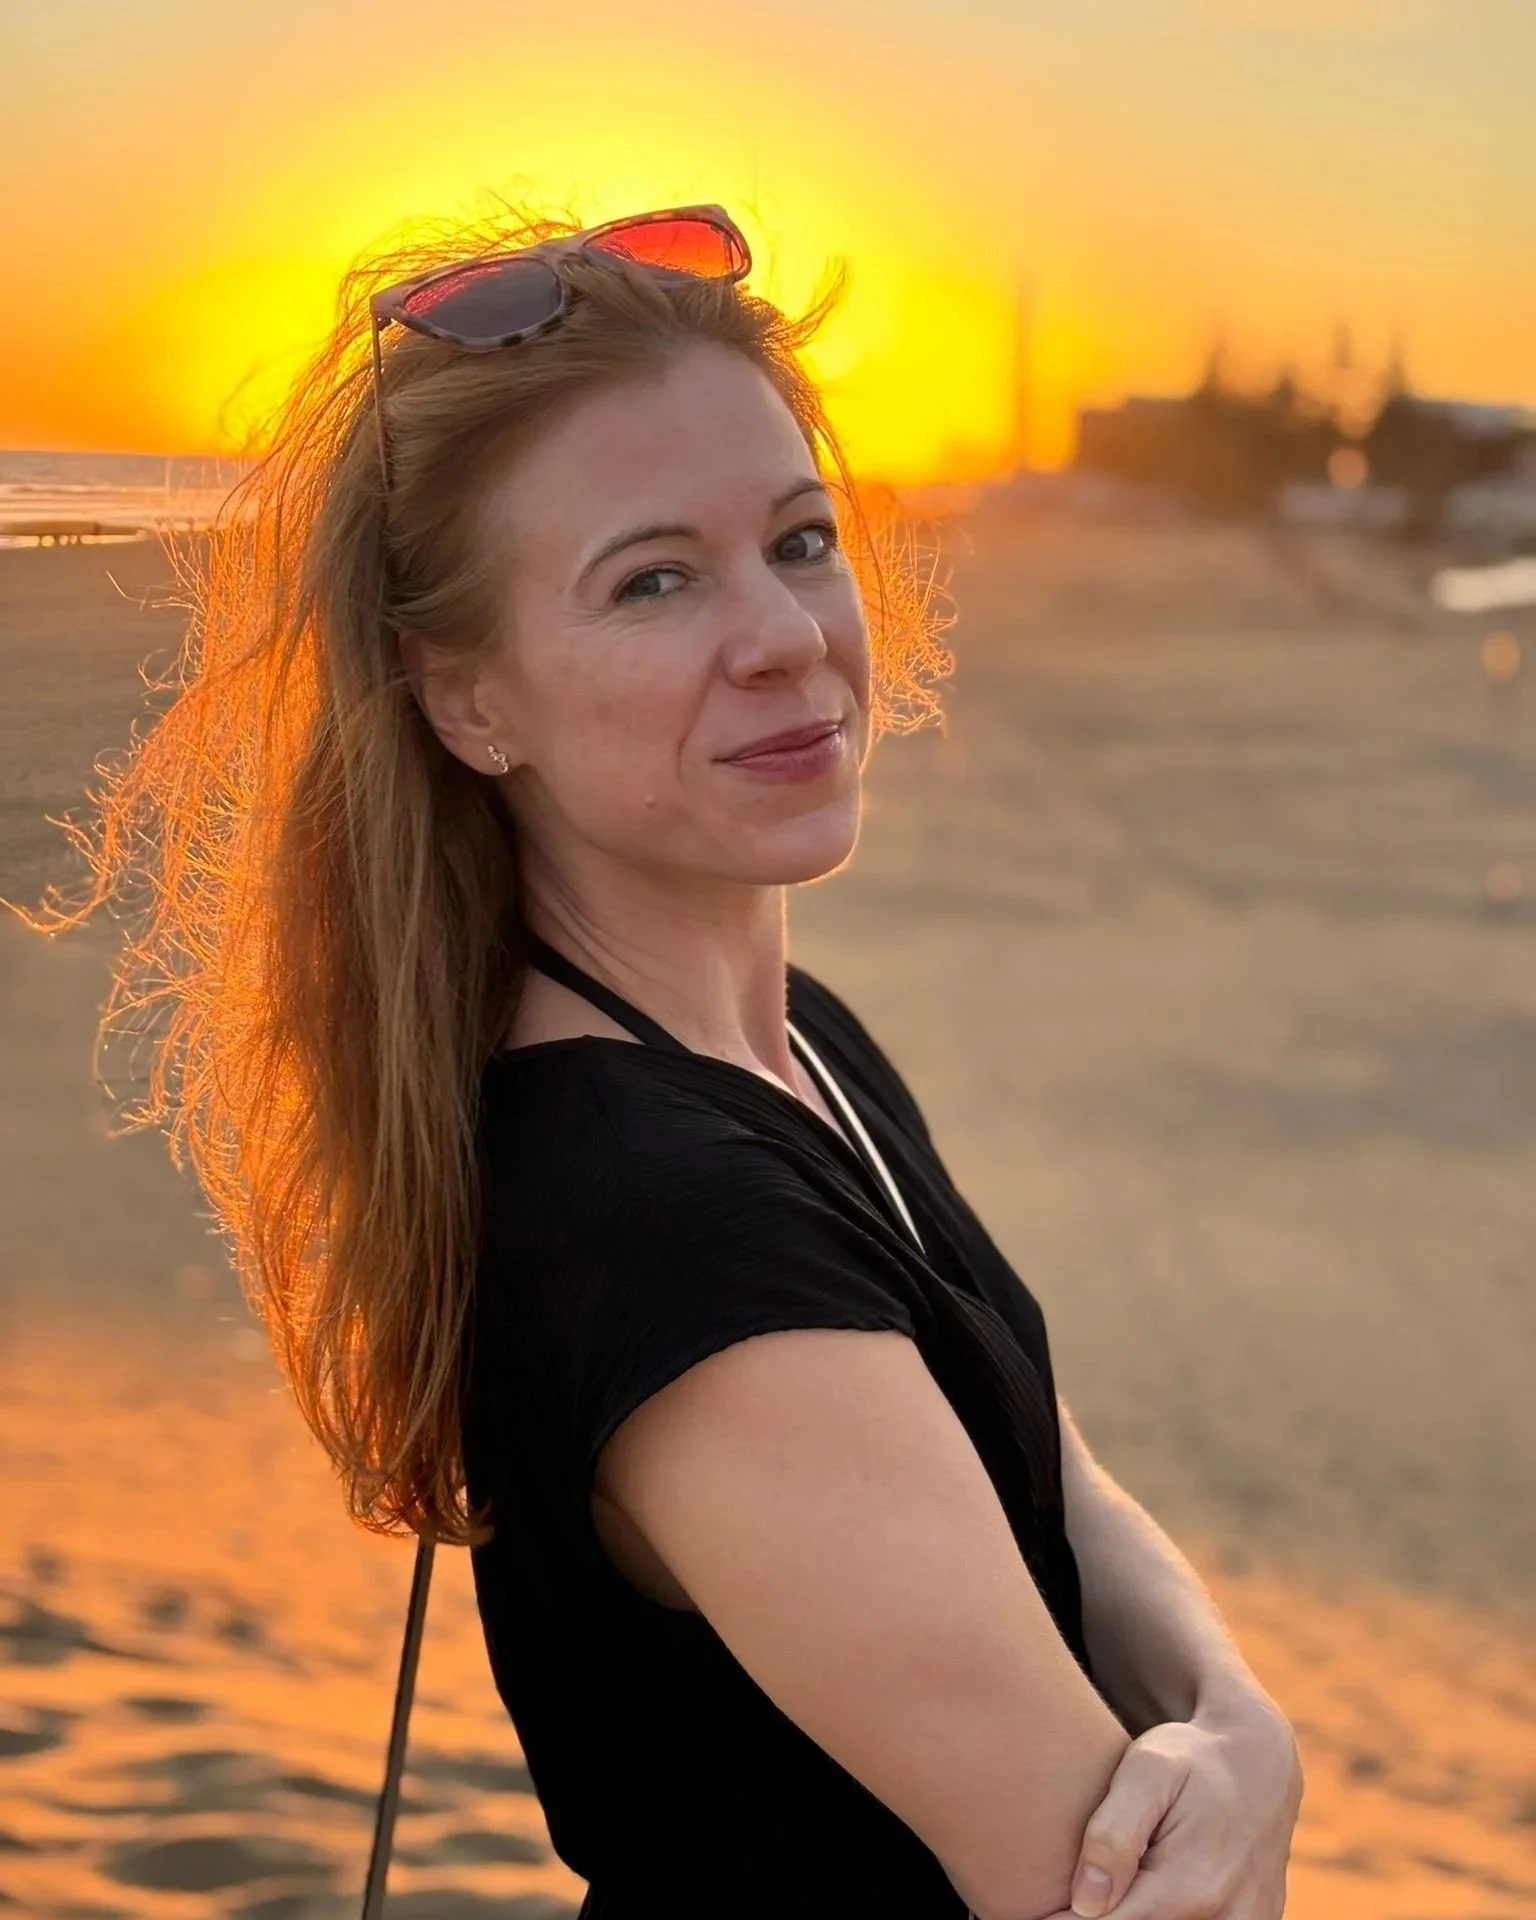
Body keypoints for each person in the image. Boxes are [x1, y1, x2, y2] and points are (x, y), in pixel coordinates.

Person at [35, 204, 1301, 1919]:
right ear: (468, 697)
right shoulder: (671, 1230)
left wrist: (1234, 1718)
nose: (785, 635)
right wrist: (1227, 1781)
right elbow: (1100, 1890)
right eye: (654, 580)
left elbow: (1039, 1464)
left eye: (796, 540)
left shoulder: (790, 1045)